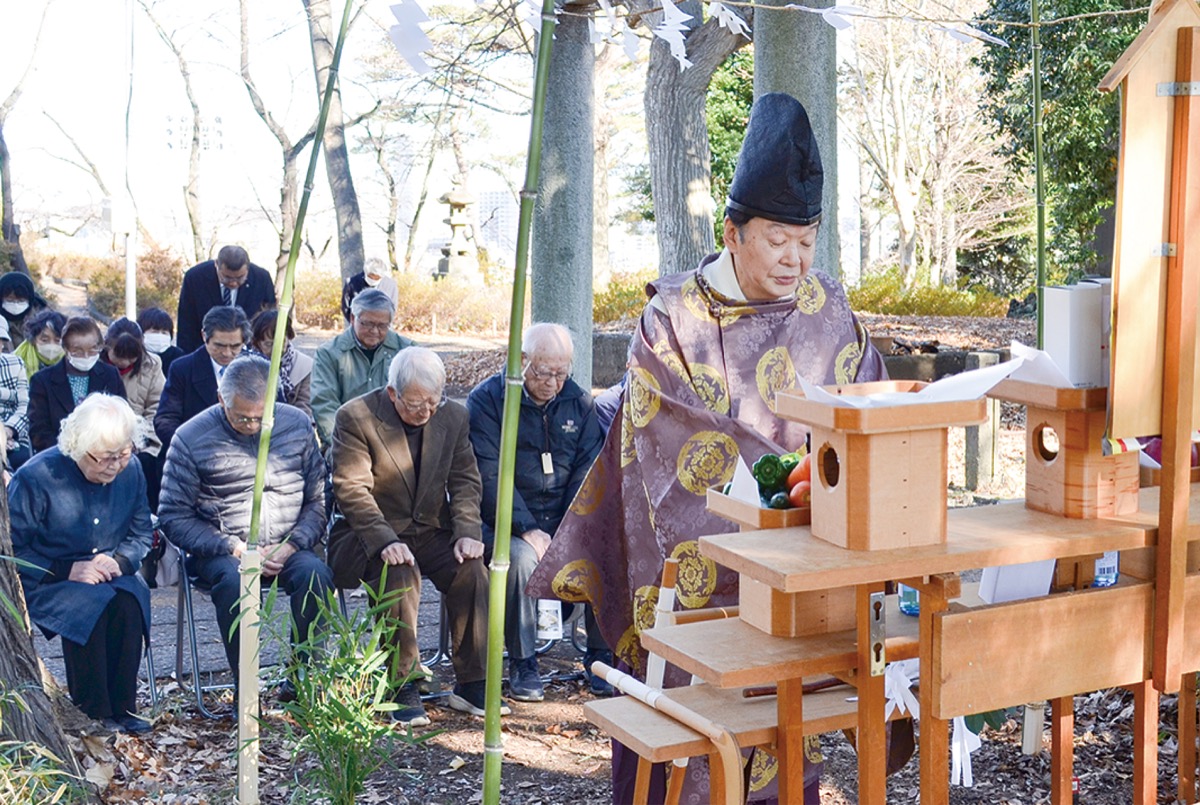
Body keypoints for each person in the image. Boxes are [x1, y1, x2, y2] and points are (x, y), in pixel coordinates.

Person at [527, 93, 888, 804]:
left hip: (805, 565)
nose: (795, 258)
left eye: (807, 239)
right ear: (733, 231)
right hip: (695, 568)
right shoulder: (672, 318)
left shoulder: (827, 306)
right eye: (778, 238)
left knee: (790, 721)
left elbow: (866, 408)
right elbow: (671, 456)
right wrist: (795, 487)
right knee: (691, 732)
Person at [329, 347, 501, 724]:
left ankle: (473, 682)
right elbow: (351, 489)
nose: (424, 412)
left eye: (432, 402)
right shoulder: (356, 417)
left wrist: (468, 531)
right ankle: (401, 683)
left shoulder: (453, 416)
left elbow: (465, 479)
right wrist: (386, 540)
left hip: (430, 529)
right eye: (414, 403)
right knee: (400, 574)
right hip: (369, 534)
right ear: (392, 393)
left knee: (472, 571)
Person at [158, 355, 332, 699]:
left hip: (288, 543)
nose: (253, 425)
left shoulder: (297, 424)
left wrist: (293, 544)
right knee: (235, 585)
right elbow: (172, 515)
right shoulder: (191, 437)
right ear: (222, 400)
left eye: (262, 417)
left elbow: (319, 499)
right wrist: (232, 546)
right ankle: (247, 687)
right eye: (243, 417)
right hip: (222, 549)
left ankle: (302, 679)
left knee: (317, 576)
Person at [466, 323, 609, 701]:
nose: (554, 383)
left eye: (562, 373)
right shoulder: (488, 401)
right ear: (522, 361)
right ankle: (524, 661)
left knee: (603, 548)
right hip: (504, 522)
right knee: (520, 558)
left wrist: (569, 528)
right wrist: (526, 526)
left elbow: (588, 467)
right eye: (545, 372)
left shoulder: (578, 402)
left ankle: (600, 657)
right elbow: (489, 474)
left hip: (563, 519)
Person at [8, 394, 153, 733]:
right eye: (105, 458)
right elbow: (13, 548)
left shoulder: (131, 470)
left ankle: (124, 707)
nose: (115, 465)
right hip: (48, 577)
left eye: (123, 453)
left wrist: (119, 561)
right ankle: (93, 710)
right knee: (90, 606)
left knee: (129, 600)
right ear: (77, 447)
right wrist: (66, 569)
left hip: (110, 571)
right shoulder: (35, 477)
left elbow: (141, 530)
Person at [312, 289, 415, 448]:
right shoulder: (329, 354)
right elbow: (325, 406)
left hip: (396, 442)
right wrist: (343, 445)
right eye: (368, 324)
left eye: (382, 325)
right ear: (353, 318)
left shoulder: (408, 351)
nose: (374, 331)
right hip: (346, 440)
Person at [154, 306, 249, 457]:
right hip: (191, 456)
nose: (227, 353)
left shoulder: (257, 368)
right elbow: (165, 419)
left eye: (235, 346)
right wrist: (190, 447)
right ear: (204, 336)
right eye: (219, 345)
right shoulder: (183, 369)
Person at [28, 317, 126, 453]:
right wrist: (69, 451)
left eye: (92, 350)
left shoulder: (110, 375)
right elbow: (39, 430)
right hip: (59, 455)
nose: (86, 356)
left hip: (104, 454)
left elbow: (122, 418)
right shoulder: (42, 381)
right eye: (78, 351)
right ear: (65, 348)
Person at [103, 318, 165, 509]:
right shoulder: (98, 366)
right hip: (103, 433)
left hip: (141, 438)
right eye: (119, 356)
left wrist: (138, 438)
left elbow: (157, 406)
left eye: (131, 357)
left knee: (145, 463)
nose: (125, 362)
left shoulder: (152, 364)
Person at [175, 245, 275, 354]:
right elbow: (186, 324)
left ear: (248, 268)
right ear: (216, 265)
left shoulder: (261, 279)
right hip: (205, 350)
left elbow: (269, 319)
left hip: (249, 352)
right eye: (226, 277)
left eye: (240, 278)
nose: (233, 283)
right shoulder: (195, 278)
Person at [249, 308, 313, 418]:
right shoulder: (247, 364)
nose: (276, 349)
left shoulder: (304, 365)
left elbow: (305, 406)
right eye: (269, 344)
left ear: (289, 337)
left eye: (281, 342)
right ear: (257, 343)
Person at [0, 318, 31, 470]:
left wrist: (8, 431)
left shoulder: (15, 364)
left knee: (21, 459)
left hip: (13, 432)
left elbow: (25, 405)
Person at [340, 258, 399, 324]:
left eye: (377, 277)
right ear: (365, 272)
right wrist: (355, 324)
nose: (374, 279)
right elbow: (346, 307)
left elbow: (393, 307)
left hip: (383, 327)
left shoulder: (390, 285)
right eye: (371, 276)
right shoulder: (351, 283)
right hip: (358, 327)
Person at [14, 309, 66, 381]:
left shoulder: (71, 363)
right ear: (33, 339)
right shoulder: (15, 362)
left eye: (57, 340)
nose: (51, 345)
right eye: (44, 340)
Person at [0, 272, 49, 348]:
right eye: (10, 300)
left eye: (21, 300)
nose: (15, 304)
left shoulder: (43, 319)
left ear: (30, 300)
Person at [138, 307, 185, 377]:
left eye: (164, 332)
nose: (159, 336)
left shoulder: (178, 357)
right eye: (154, 332)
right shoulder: (135, 355)